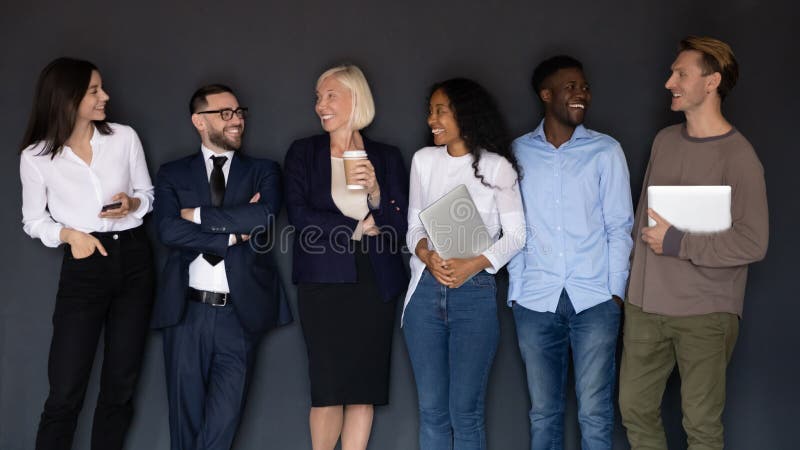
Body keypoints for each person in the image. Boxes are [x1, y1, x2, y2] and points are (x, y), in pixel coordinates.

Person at [619, 36, 769, 450]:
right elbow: (641, 222)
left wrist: (678, 241)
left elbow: (753, 243)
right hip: (645, 308)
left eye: (680, 74)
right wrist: (629, 287)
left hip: (706, 312)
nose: (669, 82)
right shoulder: (665, 141)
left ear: (711, 82)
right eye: (672, 73)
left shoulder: (739, 157)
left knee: (701, 425)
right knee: (634, 409)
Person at [19, 57, 155, 450]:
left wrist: (132, 204)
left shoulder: (124, 137)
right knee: (65, 389)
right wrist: (68, 235)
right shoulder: (36, 157)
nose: (105, 96)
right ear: (67, 98)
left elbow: (148, 196)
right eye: (94, 90)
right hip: (84, 265)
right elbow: (32, 220)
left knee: (120, 384)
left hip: (134, 260)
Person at [151, 84, 292, 450]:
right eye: (225, 113)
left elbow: (262, 216)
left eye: (240, 112)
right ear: (199, 121)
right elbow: (167, 228)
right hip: (186, 315)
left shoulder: (264, 171)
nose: (237, 120)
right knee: (184, 423)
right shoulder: (172, 173)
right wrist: (229, 237)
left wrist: (195, 216)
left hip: (238, 316)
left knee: (223, 423)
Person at [507, 55, 634, 450]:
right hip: (535, 300)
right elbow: (513, 227)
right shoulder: (518, 153)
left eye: (584, 87)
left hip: (594, 299)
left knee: (595, 414)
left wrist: (614, 293)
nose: (582, 94)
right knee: (543, 414)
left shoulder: (606, 151)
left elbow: (620, 226)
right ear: (546, 95)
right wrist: (517, 289)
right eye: (571, 87)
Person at [284, 64, 408, 450]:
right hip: (322, 282)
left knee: (362, 389)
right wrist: (357, 227)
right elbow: (299, 214)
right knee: (327, 389)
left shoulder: (386, 156)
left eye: (330, 96)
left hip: (375, 281)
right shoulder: (304, 153)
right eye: (318, 98)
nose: (321, 105)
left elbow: (400, 222)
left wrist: (375, 193)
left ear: (357, 99)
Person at [403, 78, 526, 450]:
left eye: (441, 110)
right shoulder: (423, 161)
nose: (432, 119)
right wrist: (426, 254)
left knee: (465, 412)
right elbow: (412, 229)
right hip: (424, 294)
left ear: (465, 113)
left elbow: (517, 236)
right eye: (431, 111)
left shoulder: (498, 167)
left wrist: (473, 264)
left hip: (473, 294)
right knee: (433, 412)